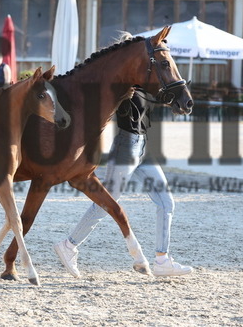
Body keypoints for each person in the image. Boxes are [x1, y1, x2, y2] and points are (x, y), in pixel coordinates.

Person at [54, 86, 193, 277]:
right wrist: (120, 97)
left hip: (143, 148)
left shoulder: (147, 83)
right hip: (126, 147)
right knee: (106, 203)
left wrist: (177, 100)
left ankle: (162, 261)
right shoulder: (126, 84)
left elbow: (159, 96)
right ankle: (68, 245)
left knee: (166, 202)